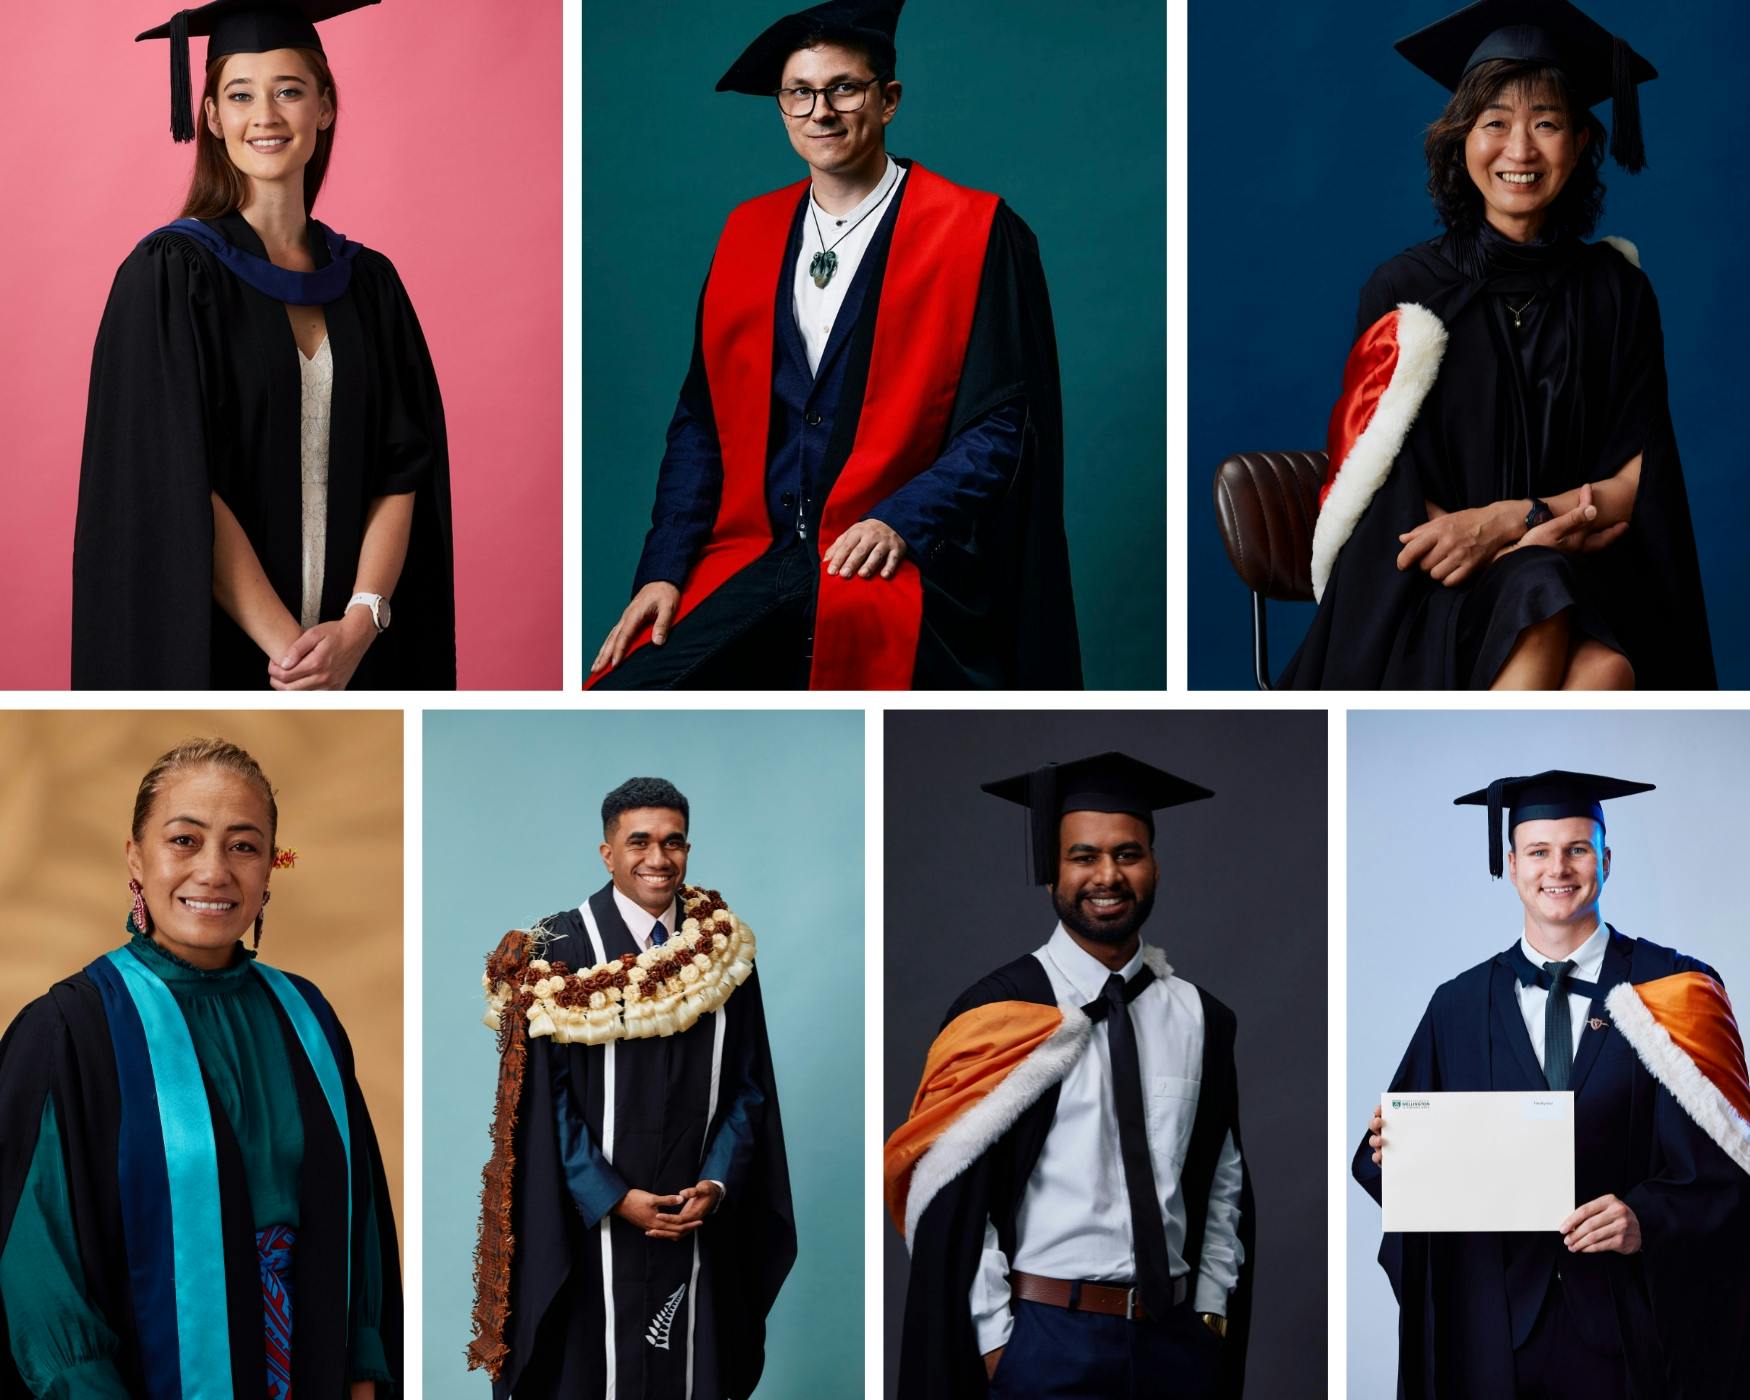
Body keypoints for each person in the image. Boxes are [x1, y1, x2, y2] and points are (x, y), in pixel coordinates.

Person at [588, 0, 1079, 691]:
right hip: (754, 549)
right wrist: (665, 565)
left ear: (889, 100)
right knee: (628, 688)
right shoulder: (747, 235)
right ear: (783, 108)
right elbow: (702, 422)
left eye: (844, 87)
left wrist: (901, 520)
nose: (821, 110)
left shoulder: (974, 232)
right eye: (800, 93)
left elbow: (1004, 425)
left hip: (897, 556)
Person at [1281, 0, 1713, 690]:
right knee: (1586, 646)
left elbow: (1642, 480)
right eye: (1495, 124)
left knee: (1601, 654)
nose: (1520, 150)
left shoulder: (1616, 293)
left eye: (1546, 123)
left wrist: (1514, 520)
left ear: (1579, 143)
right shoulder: (1405, 290)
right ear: (1460, 141)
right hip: (1432, 585)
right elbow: (1379, 478)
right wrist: (1492, 541)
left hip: (1579, 572)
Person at [72, 0, 456, 691]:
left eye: (290, 91)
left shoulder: (368, 285)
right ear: (213, 118)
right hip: (223, 649)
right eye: (241, 94)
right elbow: (172, 478)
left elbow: (405, 465)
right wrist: (296, 652)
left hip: (359, 651)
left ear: (325, 108)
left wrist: (359, 626)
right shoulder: (171, 278)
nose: (267, 116)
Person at [0, 738, 402, 1396]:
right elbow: (36, 1268)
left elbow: (358, 1224)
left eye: (243, 846)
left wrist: (361, 1369)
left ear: (272, 867)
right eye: (184, 840)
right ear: (135, 856)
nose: (214, 871)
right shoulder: (69, 1032)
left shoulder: (308, 1017)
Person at [1355, 770, 1750, 1397]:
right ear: (1511, 865)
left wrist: (1645, 1217)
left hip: (1632, 1327)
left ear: (1607, 859)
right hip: (1494, 1335)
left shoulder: (1675, 989)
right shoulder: (1457, 1006)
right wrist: (1393, 1150)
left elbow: (1730, 1172)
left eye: (1578, 848)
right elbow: (1396, 1178)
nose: (1557, 868)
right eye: (1538, 851)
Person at [884, 752, 1253, 1399]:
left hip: (1176, 1345)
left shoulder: (1201, 1017)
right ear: (1050, 869)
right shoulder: (996, 1012)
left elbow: (1222, 1175)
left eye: (1128, 853)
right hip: (1045, 1341)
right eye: (1084, 856)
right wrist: (999, 1342)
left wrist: (1213, 1305)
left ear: (1154, 865)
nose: (1107, 875)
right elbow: (946, 1193)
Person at [467, 777, 795, 1399]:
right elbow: (543, 1103)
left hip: (696, 1217)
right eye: (638, 841)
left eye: (673, 843)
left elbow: (750, 1086)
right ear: (607, 852)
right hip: (590, 1226)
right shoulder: (555, 951)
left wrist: (718, 1185)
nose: (658, 859)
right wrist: (613, 1196)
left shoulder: (722, 951)